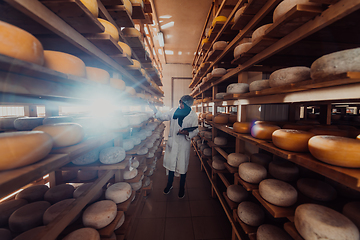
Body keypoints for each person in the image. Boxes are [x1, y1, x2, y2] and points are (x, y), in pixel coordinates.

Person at [150, 95, 199, 198]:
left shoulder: (193, 115)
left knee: (182, 167)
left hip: (183, 144)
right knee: (171, 166)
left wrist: (187, 133)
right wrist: (154, 109)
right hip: (173, 143)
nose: (180, 105)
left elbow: (196, 130)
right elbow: (162, 117)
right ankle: (169, 185)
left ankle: (182, 188)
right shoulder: (173, 111)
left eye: (182, 103)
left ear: (187, 104)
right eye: (180, 102)